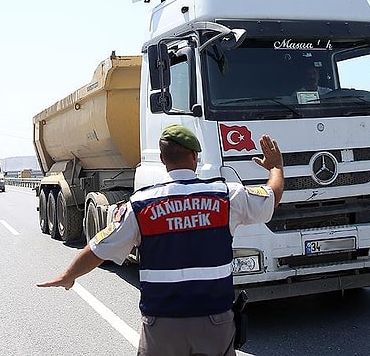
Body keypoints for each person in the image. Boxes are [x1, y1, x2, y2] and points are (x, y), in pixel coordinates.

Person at [37, 124, 284, 355]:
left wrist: (68, 275)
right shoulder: (226, 195)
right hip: (214, 322)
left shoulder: (140, 204)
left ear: (163, 160)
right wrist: (275, 167)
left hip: (162, 325)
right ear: (195, 157)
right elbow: (271, 197)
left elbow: (99, 248)